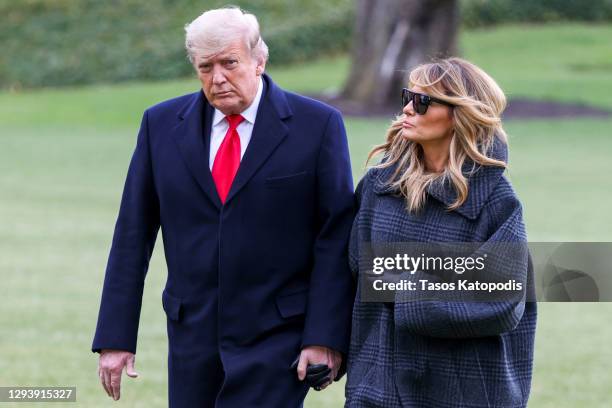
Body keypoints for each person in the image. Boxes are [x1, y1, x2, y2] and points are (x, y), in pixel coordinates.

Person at [92, 7, 355, 407]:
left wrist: (324, 337)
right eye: (205, 67)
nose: (217, 78)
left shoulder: (317, 126)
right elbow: (132, 234)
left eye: (229, 63)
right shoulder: (159, 125)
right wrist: (115, 338)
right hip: (191, 339)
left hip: (278, 339)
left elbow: (335, 238)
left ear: (259, 60)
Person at [345, 57, 537, 407]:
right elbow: (353, 274)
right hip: (378, 387)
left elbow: (502, 299)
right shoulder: (377, 186)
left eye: (422, 101)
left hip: (464, 389)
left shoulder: (496, 200)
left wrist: (406, 288)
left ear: (459, 115)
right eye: (407, 96)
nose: (407, 109)